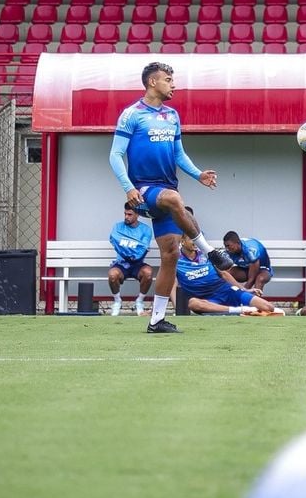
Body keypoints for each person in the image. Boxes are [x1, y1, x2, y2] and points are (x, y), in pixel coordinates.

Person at [109, 61, 235, 335]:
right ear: (152, 82)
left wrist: (199, 174)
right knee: (176, 200)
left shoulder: (172, 115)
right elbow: (115, 155)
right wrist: (127, 187)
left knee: (170, 255)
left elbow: (179, 154)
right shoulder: (132, 114)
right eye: (168, 79)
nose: (173, 84)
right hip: (144, 189)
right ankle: (210, 252)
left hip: (166, 187)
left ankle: (156, 320)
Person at [175, 232, 283, 315]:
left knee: (268, 307)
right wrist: (176, 306)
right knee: (193, 304)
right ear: (182, 241)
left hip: (226, 290)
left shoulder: (207, 254)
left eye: (198, 240)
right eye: (191, 239)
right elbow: (171, 283)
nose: (196, 243)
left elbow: (224, 274)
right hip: (207, 299)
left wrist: (245, 289)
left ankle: (239, 310)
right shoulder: (176, 261)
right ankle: (237, 310)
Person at [107, 202, 155, 316]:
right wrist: (134, 247)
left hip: (137, 264)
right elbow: (114, 240)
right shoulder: (118, 227)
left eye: (129, 214)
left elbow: (141, 250)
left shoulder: (146, 230)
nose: (126, 217)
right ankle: (117, 301)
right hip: (121, 263)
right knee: (112, 275)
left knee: (148, 273)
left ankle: (139, 301)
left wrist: (126, 246)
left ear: (137, 214)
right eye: (125, 214)